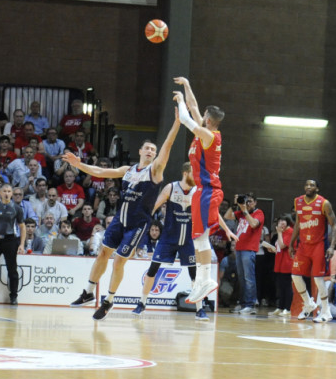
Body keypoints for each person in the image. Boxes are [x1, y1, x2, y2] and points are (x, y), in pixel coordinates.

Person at [67, 113, 180, 321]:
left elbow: (168, 145)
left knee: (119, 261)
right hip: (120, 219)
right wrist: (79, 164)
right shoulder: (127, 170)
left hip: (137, 225)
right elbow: (100, 172)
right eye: (147, 148)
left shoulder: (155, 171)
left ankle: (109, 300)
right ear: (140, 151)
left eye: (153, 150)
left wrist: (176, 123)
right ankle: (89, 292)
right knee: (103, 254)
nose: (151, 151)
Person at [173, 77, 236, 305]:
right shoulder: (206, 132)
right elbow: (194, 107)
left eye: (204, 116)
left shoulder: (208, 136)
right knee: (198, 237)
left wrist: (179, 100)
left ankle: (207, 279)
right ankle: (201, 280)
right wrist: (187, 85)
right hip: (204, 190)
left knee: (200, 238)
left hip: (208, 190)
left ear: (208, 120)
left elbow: (187, 118)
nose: (201, 115)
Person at [133, 162, 219, 320]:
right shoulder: (171, 188)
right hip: (168, 237)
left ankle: (200, 309)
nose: (198, 176)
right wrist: (139, 221)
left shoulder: (197, 191)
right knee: (153, 269)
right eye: (195, 172)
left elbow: (212, 211)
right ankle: (141, 303)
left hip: (189, 240)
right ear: (185, 173)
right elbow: (154, 207)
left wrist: (225, 229)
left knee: (195, 275)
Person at [287, 179, 336, 323]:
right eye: (306, 185)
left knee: (318, 278)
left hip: (319, 245)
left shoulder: (324, 203)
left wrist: (332, 246)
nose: (308, 187)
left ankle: (326, 311)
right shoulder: (298, 201)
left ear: (317, 188)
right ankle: (309, 304)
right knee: (295, 276)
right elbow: (298, 223)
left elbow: (334, 225)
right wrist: (292, 243)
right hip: (303, 245)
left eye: (312, 185)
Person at [224, 192, 264, 314]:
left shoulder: (259, 213)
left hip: (249, 249)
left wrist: (245, 210)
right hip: (239, 248)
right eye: (246, 201)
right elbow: (227, 216)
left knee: (249, 277)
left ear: (255, 202)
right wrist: (235, 205)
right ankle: (242, 304)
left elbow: (253, 224)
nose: (248, 203)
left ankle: (250, 304)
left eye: (250, 201)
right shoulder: (240, 212)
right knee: (241, 278)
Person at [268, 215, 294, 317]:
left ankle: (287, 309)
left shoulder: (290, 232)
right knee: (280, 287)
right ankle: (280, 307)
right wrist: (272, 249)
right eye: (280, 221)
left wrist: (278, 232)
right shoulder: (282, 233)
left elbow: (283, 245)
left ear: (287, 222)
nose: (281, 223)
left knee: (287, 287)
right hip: (279, 263)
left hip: (287, 263)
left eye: (284, 221)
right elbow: (279, 247)